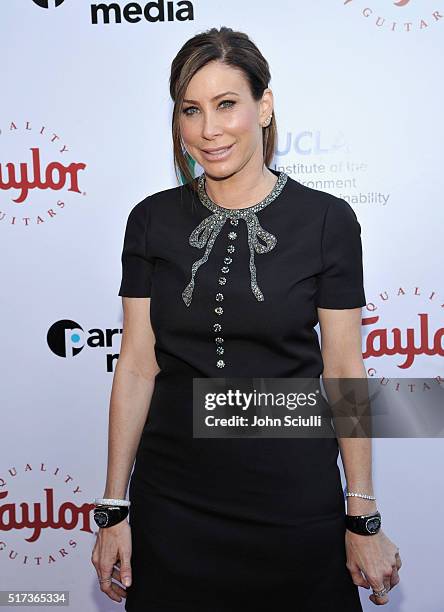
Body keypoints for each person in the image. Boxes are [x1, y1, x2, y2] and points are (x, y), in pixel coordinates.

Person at [91, 26, 402, 611]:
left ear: (265, 107)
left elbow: (343, 370)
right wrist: (114, 506)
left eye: (227, 104)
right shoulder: (150, 221)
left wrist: (361, 513)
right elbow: (135, 366)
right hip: (173, 504)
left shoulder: (327, 221)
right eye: (191, 110)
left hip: (293, 502)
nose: (209, 130)